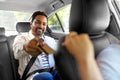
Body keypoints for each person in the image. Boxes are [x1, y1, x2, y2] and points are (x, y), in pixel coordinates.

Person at [13, 11, 61, 80]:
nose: (41, 26)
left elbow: (57, 54)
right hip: (32, 76)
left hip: (52, 72)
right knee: (46, 76)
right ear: (31, 23)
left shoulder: (50, 40)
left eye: (44, 24)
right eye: (38, 22)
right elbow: (16, 54)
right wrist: (26, 47)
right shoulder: (21, 38)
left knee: (65, 72)